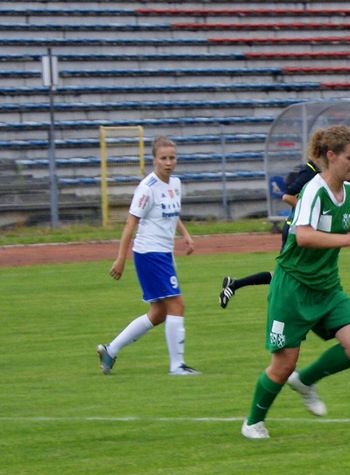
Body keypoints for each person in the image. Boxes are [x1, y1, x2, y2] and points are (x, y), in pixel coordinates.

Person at [241, 125, 350, 440]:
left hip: (327, 287)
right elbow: (302, 236)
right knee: (283, 365)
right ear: (331, 156)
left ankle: (306, 381)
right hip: (293, 288)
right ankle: (252, 423)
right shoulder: (314, 190)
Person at [96, 136, 200, 375]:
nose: (168, 162)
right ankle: (177, 366)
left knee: (159, 312)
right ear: (154, 160)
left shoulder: (176, 183)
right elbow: (130, 224)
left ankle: (110, 350)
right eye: (163, 158)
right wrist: (120, 258)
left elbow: (172, 213)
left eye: (172, 158)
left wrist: (185, 234)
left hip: (164, 253)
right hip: (149, 253)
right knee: (177, 304)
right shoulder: (147, 188)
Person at [218, 159, 320, 308]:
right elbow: (287, 196)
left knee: (289, 275)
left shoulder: (317, 173)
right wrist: (308, 211)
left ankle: (234, 285)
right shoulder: (309, 172)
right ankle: (235, 286)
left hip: (299, 229)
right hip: (295, 230)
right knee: (288, 276)